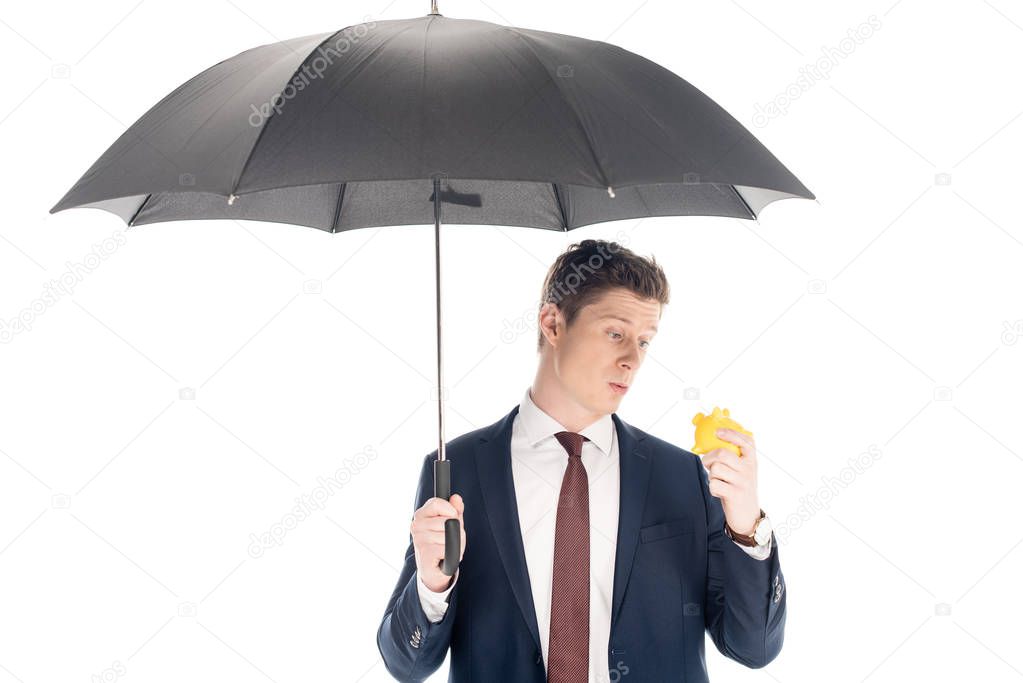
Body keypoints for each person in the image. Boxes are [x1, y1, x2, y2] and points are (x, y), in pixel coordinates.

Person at [377, 239, 786, 682]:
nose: (632, 359)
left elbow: (754, 648)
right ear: (553, 323)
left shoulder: (682, 476)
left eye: (644, 342)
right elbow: (407, 664)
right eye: (616, 333)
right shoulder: (456, 469)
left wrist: (747, 527)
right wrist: (432, 584)